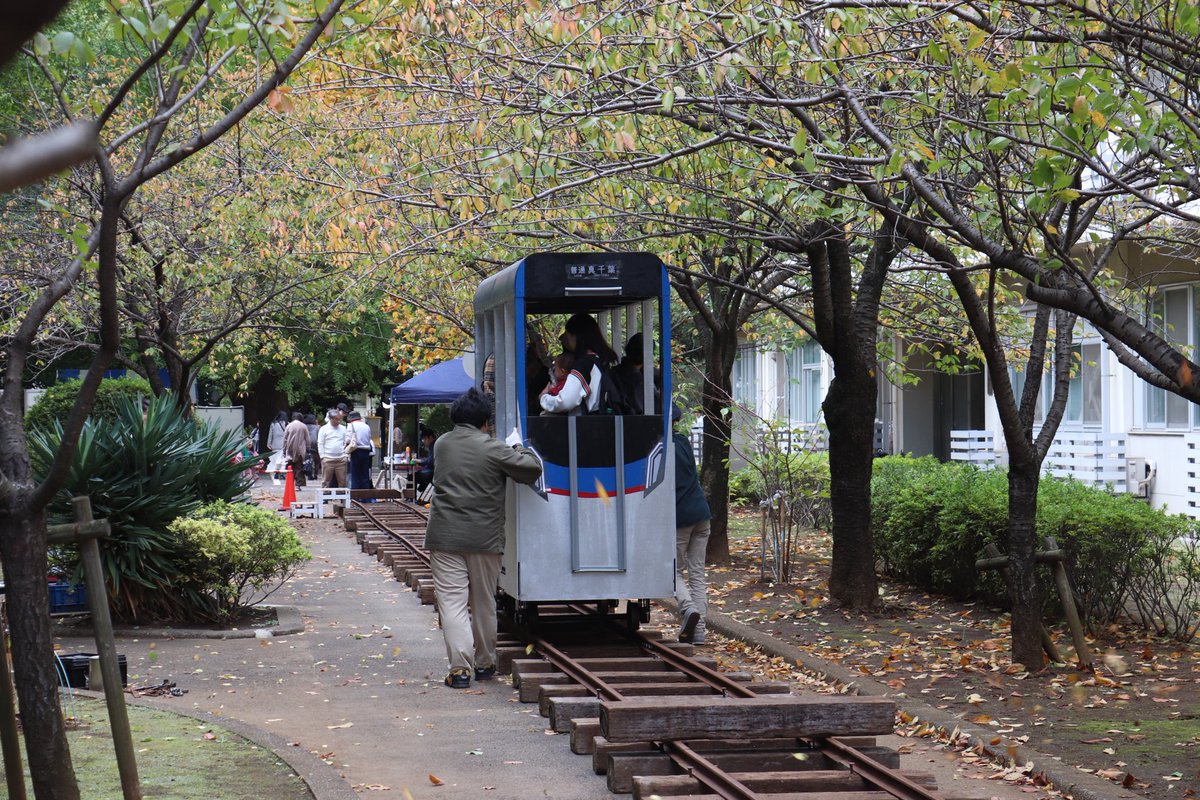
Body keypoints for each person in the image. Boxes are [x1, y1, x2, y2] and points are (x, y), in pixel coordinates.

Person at [425, 388, 542, 688]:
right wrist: (520, 448)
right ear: (486, 422)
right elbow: (531, 470)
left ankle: (460, 669)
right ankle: (486, 663)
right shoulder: (494, 448)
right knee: (483, 602)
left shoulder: (442, 444)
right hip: (485, 538)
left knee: (451, 603)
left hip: (445, 536)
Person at [672, 404, 711, 644]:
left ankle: (688, 608)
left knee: (671, 570)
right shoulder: (683, 441)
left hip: (680, 519)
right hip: (702, 514)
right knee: (697, 573)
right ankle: (699, 632)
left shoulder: (660, 449)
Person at [538, 313, 617, 414]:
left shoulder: (584, 364)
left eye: (568, 336)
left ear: (576, 336)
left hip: (583, 426)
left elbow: (565, 402)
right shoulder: (599, 360)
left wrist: (544, 398)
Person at [318, 408, 349, 493]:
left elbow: (346, 442)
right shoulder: (323, 429)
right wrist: (322, 457)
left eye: (339, 419)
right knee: (326, 481)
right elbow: (320, 443)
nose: (338, 421)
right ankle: (325, 497)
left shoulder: (343, 428)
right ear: (331, 419)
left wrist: (346, 455)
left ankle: (342, 497)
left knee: (342, 481)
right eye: (336, 419)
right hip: (327, 458)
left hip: (341, 458)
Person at [345, 411, 374, 490]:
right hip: (366, 452)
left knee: (355, 475)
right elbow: (369, 438)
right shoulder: (366, 426)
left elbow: (348, 440)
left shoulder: (351, 426)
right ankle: (365, 497)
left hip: (356, 451)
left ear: (351, 419)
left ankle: (355, 497)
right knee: (365, 475)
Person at [283, 412, 310, 487]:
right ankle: (299, 482)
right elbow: (307, 439)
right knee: (299, 466)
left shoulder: (289, 426)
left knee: (290, 466)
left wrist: (284, 450)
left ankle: (290, 481)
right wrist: (308, 448)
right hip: (300, 449)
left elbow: (285, 439)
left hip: (290, 449)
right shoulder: (303, 426)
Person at [266, 411, 288, 483]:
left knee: (275, 459)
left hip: (275, 444)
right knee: (282, 459)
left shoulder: (273, 424)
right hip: (284, 445)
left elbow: (270, 434)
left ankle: (276, 471)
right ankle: (281, 473)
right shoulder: (287, 424)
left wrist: (269, 443)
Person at [305, 413, 321, 478]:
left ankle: (309, 473)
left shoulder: (304, 426)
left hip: (307, 445)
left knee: (309, 459)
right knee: (317, 460)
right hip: (315, 445)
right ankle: (316, 474)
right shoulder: (317, 427)